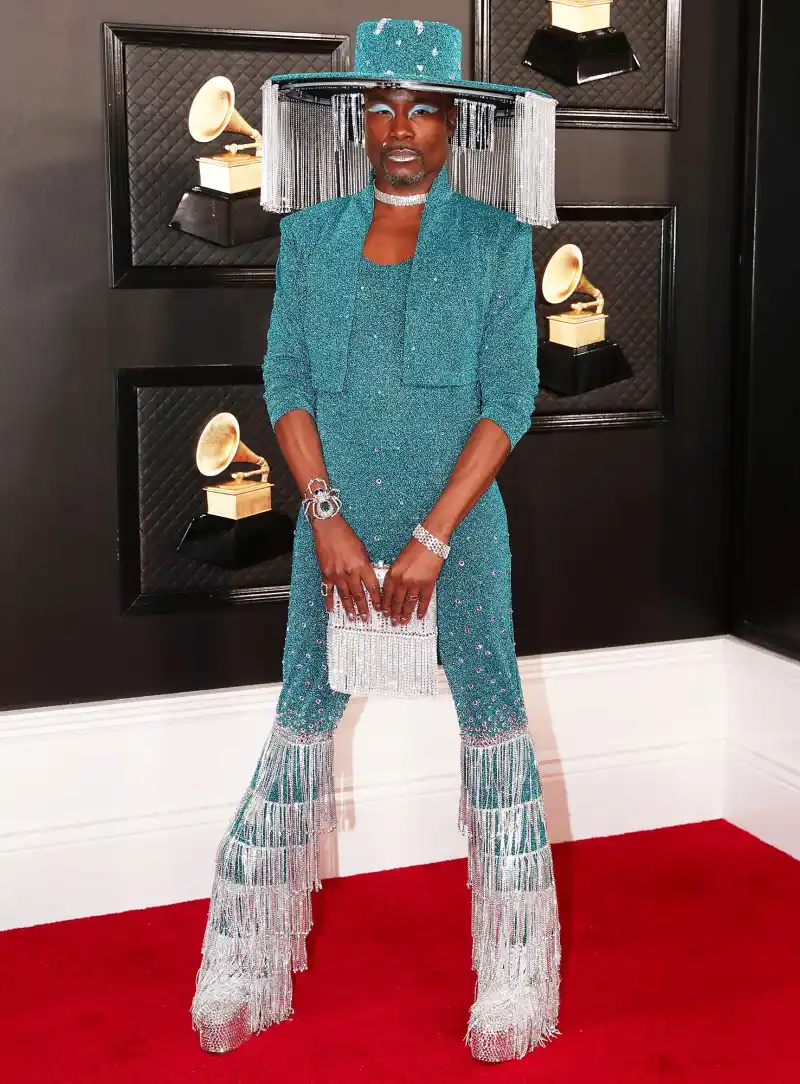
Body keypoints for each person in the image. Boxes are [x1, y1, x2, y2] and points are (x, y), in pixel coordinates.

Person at [191, 19, 560, 1063]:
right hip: (335, 537)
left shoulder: (493, 241)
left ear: (455, 124)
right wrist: (326, 520)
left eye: (424, 108)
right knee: (299, 720)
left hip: (457, 534)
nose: (400, 130)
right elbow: (287, 387)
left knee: (493, 732)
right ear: (357, 118)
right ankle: (242, 957)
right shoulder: (308, 236)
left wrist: (433, 536)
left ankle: (514, 974)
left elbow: (509, 401)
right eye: (382, 108)